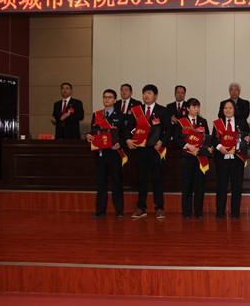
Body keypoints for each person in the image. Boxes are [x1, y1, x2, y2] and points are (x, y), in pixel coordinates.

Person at [124, 84, 171, 220]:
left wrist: (162, 141)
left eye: (149, 93)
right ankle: (141, 207)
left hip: (156, 149)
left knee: (157, 179)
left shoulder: (162, 110)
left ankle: (159, 208)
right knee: (141, 178)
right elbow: (128, 128)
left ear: (155, 96)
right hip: (140, 150)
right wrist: (127, 139)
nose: (146, 96)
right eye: (144, 93)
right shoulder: (137, 111)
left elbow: (169, 130)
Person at [86, 89, 125, 219]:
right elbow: (93, 131)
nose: (106, 99)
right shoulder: (97, 115)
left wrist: (120, 144)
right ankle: (100, 211)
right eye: (105, 97)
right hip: (100, 153)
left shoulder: (121, 115)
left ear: (115, 100)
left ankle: (119, 211)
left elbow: (125, 135)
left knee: (116, 182)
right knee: (101, 182)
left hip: (114, 153)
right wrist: (89, 136)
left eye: (109, 97)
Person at [211, 100, 250, 218]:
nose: (228, 110)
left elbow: (248, 135)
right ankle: (220, 212)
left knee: (236, 187)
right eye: (225, 108)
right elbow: (213, 139)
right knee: (221, 186)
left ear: (234, 110)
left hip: (237, 158)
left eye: (230, 108)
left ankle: (235, 213)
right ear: (222, 110)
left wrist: (248, 138)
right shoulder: (218, 123)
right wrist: (220, 147)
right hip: (222, 158)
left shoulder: (241, 122)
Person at [177, 98, 212, 219]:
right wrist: (188, 146)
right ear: (188, 108)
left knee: (199, 186)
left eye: (197, 107)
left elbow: (207, 139)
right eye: (193, 107)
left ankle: (198, 212)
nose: (196, 109)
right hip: (187, 158)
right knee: (187, 186)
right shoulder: (181, 122)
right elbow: (177, 138)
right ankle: (186, 212)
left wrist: (201, 149)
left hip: (200, 157)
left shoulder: (203, 121)